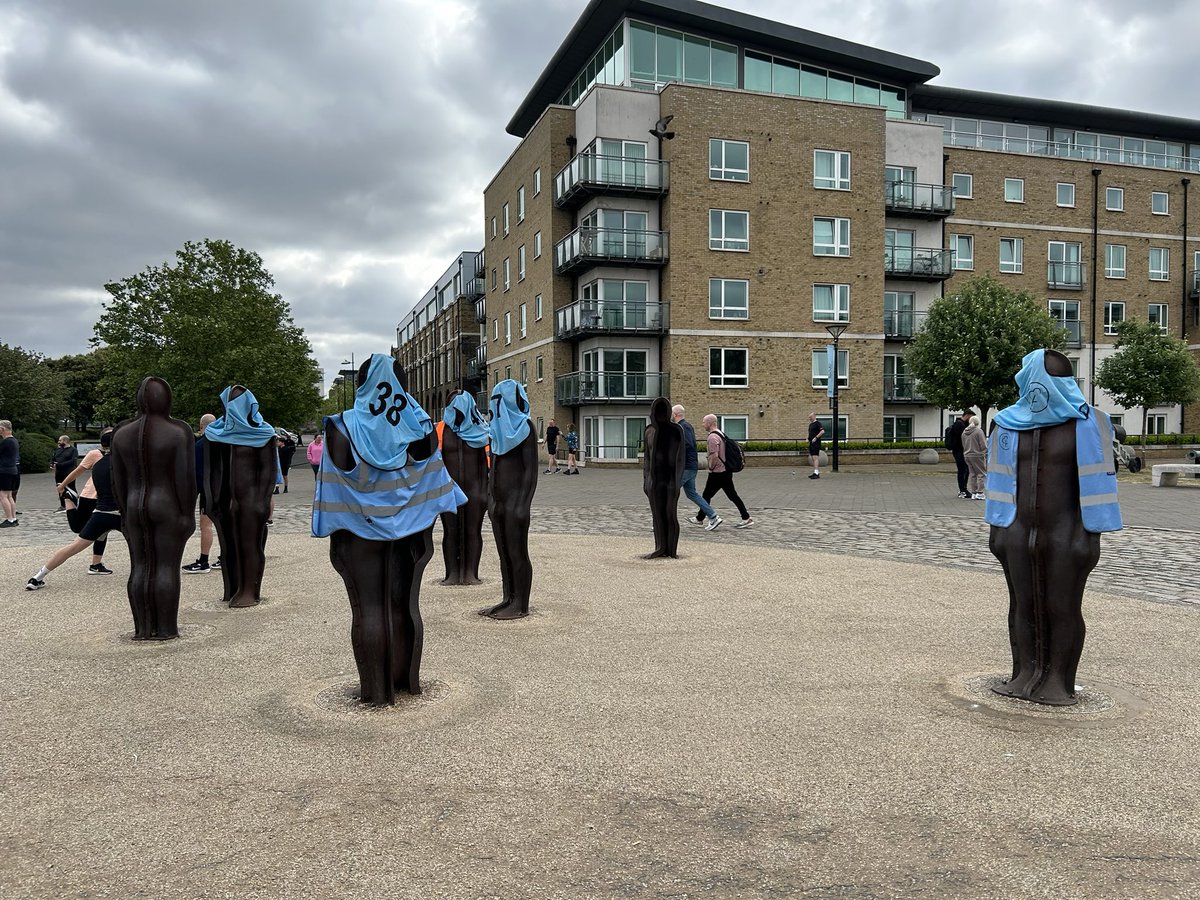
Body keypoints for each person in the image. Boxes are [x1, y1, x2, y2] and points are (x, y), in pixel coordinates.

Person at [986, 348, 1122, 706]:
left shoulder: (1092, 423)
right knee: (1023, 604)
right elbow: (998, 483)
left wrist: (1090, 534)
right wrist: (997, 532)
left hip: (1068, 534)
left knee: (1061, 606)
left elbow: (1105, 479)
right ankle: (1024, 675)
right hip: (1016, 532)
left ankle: (1058, 681)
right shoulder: (1005, 422)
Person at [26, 431, 120, 589]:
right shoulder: (126, 462)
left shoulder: (98, 465)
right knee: (148, 543)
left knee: (73, 547)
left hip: (101, 512)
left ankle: (37, 577)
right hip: (121, 513)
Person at [56, 426, 115, 573]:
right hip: (90, 495)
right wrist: (63, 485)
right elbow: (77, 472)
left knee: (103, 532)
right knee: (78, 528)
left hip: (105, 498)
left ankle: (95, 564)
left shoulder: (120, 455)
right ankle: (68, 500)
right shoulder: (95, 454)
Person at [694, 414, 752, 528]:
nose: (703, 425)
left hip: (718, 471)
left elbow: (714, 455)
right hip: (726, 470)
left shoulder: (712, 437)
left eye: (704, 422)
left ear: (710, 423)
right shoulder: (720, 433)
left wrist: (710, 467)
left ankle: (701, 518)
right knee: (731, 495)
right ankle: (746, 517)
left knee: (707, 495)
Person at [672, 405, 720, 531]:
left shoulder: (683, 426)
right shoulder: (686, 426)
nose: (670, 416)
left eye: (672, 413)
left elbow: (688, 444)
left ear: (676, 414)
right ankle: (713, 516)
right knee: (692, 494)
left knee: (669, 492)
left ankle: (662, 523)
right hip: (690, 466)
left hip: (686, 466)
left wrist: (674, 453)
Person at [183, 414, 220, 573]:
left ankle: (204, 560)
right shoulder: (223, 443)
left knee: (206, 525)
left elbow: (195, 472)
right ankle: (225, 557)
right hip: (223, 487)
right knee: (223, 525)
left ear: (201, 426)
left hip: (207, 489)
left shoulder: (199, 446)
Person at [947, 409, 973, 498]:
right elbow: (963, 437)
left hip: (960, 450)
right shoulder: (959, 424)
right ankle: (963, 490)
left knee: (965, 470)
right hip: (959, 451)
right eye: (971, 417)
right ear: (968, 415)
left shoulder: (960, 424)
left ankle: (964, 489)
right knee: (963, 470)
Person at [962, 414, 987, 499]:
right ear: (977, 422)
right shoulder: (978, 431)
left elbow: (963, 444)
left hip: (967, 454)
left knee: (972, 474)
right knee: (981, 474)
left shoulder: (964, 432)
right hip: (977, 455)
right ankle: (980, 492)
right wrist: (984, 452)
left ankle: (973, 492)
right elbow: (983, 444)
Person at [0, 420, 19, 527]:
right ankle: (13, 518)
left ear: (2, 429)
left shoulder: (6, 442)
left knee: (3, 496)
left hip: (4, 471)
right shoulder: (14, 440)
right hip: (12, 470)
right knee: (9, 496)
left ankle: (9, 519)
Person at [51, 436, 79, 510]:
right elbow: (53, 458)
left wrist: (60, 464)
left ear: (65, 441)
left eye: (60, 440)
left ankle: (74, 504)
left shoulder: (73, 450)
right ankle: (63, 505)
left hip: (69, 471)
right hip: (59, 472)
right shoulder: (58, 449)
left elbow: (73, 461)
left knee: (71, 487)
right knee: (60, 487)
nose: (58, 442)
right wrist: (52, 464)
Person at [807, 414, 825, 480]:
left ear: (814, 416)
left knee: (815, 457)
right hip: (811, 443)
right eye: (809, 417)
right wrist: (808, 439)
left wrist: (816, 438)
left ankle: (817, 473)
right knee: (813, 458)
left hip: (816, 443)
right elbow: (811, 434)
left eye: (811, 417)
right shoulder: (810, 425)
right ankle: (815, 472)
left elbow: (822, 431)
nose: (810, 418)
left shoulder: (818, 423)